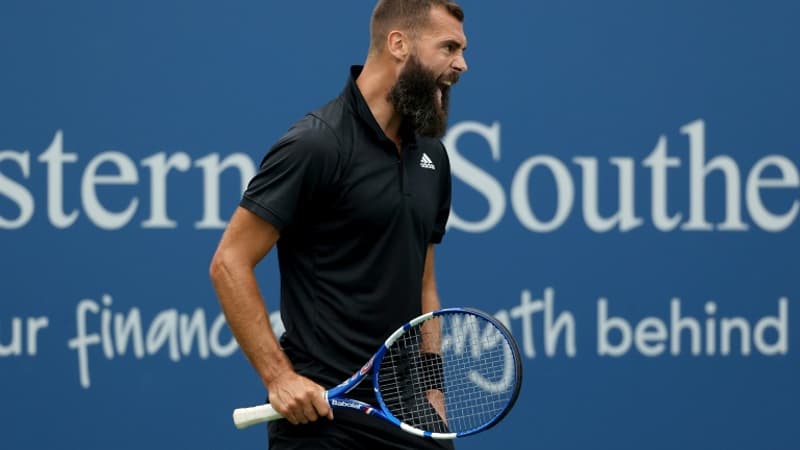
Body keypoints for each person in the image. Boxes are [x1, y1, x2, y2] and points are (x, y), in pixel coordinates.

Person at [209, 1, 468, 448]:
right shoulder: (316, 144)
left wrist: (433, 392)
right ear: (398, 44)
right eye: (449, 47)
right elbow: (229, 262)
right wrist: (280, 378)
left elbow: (424, 284)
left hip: (409, 413)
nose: (461, 64)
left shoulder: (432, 157)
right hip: (324, 420)